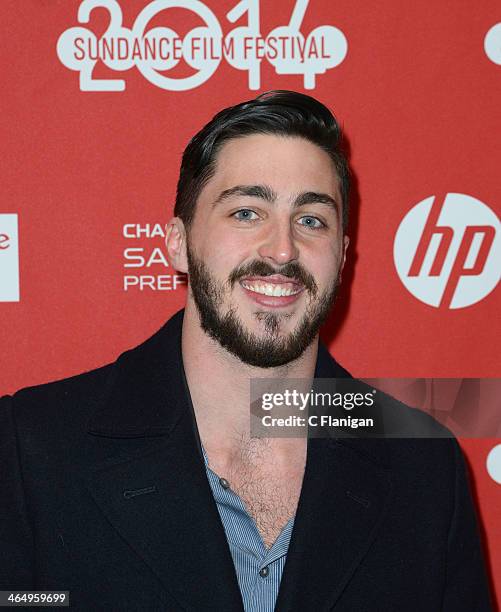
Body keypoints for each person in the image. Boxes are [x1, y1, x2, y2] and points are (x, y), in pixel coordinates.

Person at [0, 91, 492, 611]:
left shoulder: (424, 467)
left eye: (311, 220)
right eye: (246, 212)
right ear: (177, 242)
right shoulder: (30, 448)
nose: (282, 249)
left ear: (343, 256)